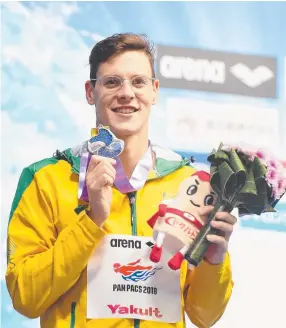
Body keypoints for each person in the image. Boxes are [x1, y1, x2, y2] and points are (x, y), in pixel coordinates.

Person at [6, 33, 237, 328]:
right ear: (90, 92)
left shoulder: (191, 186)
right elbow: (26, 298)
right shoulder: (46, 178)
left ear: (154, 91)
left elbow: (205, 315)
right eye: (112, 82)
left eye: (138, 82)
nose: (127, 93)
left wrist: (213, 261)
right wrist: (90, 222)